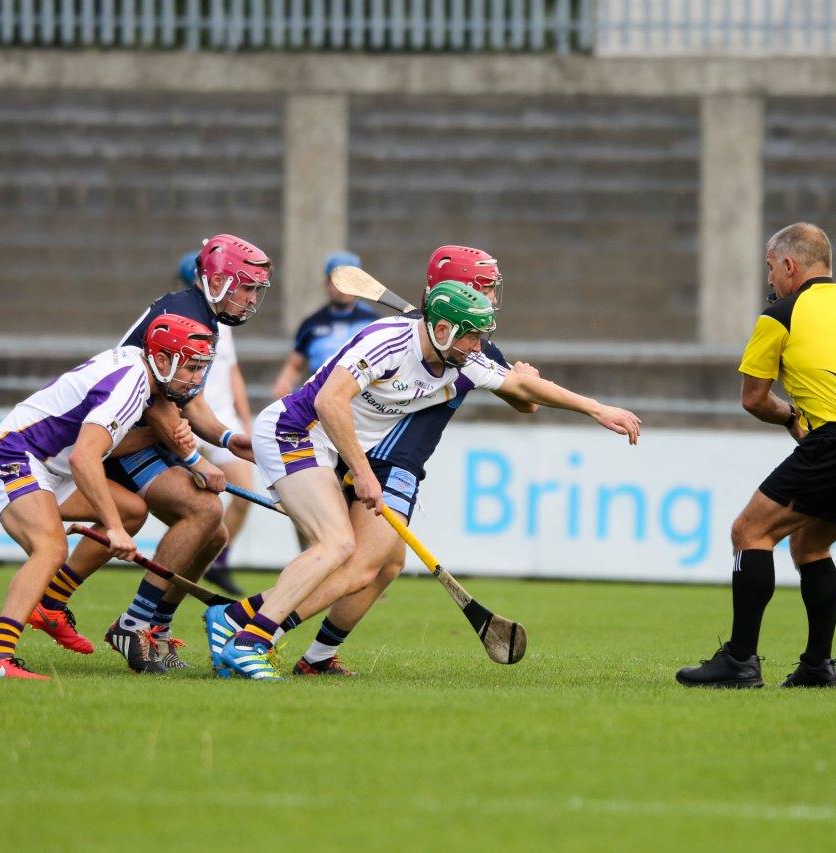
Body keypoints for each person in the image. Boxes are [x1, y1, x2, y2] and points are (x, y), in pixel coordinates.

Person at [207, 281, 642, 680]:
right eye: (472, 335)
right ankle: (252, 639)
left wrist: (597, 409)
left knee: (378, 560)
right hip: (294, 430)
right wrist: (362, 472)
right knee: (338, 545)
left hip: (327, 447)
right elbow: (329, 400)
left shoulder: (464, 360)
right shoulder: (387, 341)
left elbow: (524, 391)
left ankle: (235, 620)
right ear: (444, 329)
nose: (479, 346)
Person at [676, 222, 836, 689]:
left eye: (770, 269)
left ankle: (741, 662)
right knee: (810, 545)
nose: (769, 279)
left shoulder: (781, 315)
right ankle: (817, 668)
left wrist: (793, 418)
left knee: (750, 531)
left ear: (789, 265)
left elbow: (753, 399)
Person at [280, 244, 540, 675]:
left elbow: (523, 402)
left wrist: (524, 381)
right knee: (359, 563)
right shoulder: (408, 337)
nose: (494, 297)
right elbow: (527, 402)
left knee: (387, 566)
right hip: (387, 458)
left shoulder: (469, 343)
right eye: (487, 287)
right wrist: (528, 383)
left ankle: (318, 658)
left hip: (401, 460)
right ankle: (253, 625)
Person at [28, 234, 270, 674]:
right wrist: (197, 461)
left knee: (213, 534)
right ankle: (135, 624)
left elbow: (189, 400)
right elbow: (157, 400)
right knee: (201, 510)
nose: (252, 299)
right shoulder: (182, 313)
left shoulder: (203, 316)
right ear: (216, 281)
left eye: (257, 290)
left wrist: (229, 439)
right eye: (246, 287)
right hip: (129, 436)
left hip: (152, 433)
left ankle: (152, 626)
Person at [0, 314, 216, 679]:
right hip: (14, 455)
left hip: (50, 466)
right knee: (51, 549)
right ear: (162, 360)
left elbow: (104, 447)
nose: (196, 379)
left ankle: (52, 604)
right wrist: (113, 530)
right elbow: (84, 457)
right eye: (191, 368)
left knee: (133, 510)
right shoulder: (131, 383)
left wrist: (157, 438)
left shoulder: (139, 371)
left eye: (201, 369)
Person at [175, 252, 256, 599]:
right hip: (190, 421)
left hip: (221, 421)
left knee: (244, 494)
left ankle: (216, 562)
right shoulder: (184, 321)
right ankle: (181, 570)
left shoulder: (225, 324)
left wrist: (244, 419)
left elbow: (233, 372)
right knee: (200, 507)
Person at [270, 251, 379, 400]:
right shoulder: (311, 324)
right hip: (320, 395)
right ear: (327, 283)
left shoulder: (371, 321)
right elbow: (294, 366)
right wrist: (283, 383)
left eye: (349, 281)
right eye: (337, 281)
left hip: (361, 395)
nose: (342, 288)